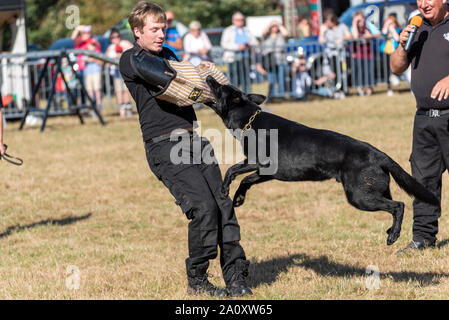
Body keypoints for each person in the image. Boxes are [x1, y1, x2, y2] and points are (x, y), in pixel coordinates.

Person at [119, 1, 252, 297]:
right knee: (204, 209)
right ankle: (198, 280)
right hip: (164, 146)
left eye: (163, 28)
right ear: (137, 31)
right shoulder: (131, 59)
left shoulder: (169, 55)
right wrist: (191, 76)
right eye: (154, 29)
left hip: (195, 140)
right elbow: (171, 82)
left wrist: (214, 84)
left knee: (223, 207)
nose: (161, 34)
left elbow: (195, 89)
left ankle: (236, 277)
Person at [390, 0, 449, 253]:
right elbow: (396, 67)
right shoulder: (416, 26)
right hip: (423, 118)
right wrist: (403, 45)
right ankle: (423, 238)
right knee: (423, 179)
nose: (423, 3)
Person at [221, 11, 258, 93]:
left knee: (246, 79)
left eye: (242, 20)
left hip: (246, 58)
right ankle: (234, 97)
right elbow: (224, 44)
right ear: (233, 21)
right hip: (232, 58)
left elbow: (255, 42)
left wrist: (249, 44)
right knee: (234, 80)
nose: (240, 21)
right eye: (238, 20)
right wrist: (238, 47)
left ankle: (247, 96)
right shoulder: (228, 30)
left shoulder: (247, 30)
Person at [318, 10, 352, 99]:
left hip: (341, 55)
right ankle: (336, 90)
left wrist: (342, 38)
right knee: (333, 73)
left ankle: (342, 90)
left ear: (333, 21)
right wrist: (322, 32)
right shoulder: (325, 29)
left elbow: (349, 36)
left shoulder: (342, 26)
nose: (327, 23)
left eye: (328, 21)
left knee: (342, 72)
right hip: (330, 55)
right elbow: (321, 41)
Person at [350, 10, 381, 96]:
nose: (361, 22)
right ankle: (360, 88)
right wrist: (354, 23)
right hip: (357, 54)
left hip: (368, 53)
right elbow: (355, 36)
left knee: (369, 71)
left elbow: (378, 33)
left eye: (362, 19)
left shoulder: (368, 26)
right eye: (359, 20)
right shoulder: (353, 27)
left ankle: (370, 88)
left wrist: (370, 36)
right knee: (359, 72)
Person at [106, 29, 133, 117]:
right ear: (111, 38)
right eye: (113, 37)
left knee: (126, 90)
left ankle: (128, 109)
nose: (116, 39)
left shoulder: (125, 43)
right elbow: (105, 61)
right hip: (116, 73)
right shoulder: (110, 48)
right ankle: (122, 110)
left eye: (117, 36)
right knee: (118, 91)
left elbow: (133, 51)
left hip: (126, 72)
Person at [260, 20, 288, 101]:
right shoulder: (267, 36)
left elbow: (286, 33)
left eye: (275, 26)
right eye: (273, 26)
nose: (274, 27)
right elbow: (263, 33)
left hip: (280, 60)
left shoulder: (281, 35)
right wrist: (270, 25)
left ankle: (281, 96)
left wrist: (278, 24)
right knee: (271, 79)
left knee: (281, 79)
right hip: (270, 61)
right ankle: (271, 96)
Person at [71, 25, 99, 104]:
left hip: (86, 68)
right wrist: (77, 28)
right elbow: (73, 38)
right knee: (77, 89)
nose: (86, 35)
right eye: (84, 33)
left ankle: (88, 105)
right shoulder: (79, 41)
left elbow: (94, 48)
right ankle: (79, 106)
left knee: (86, 89)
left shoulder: (92, 41)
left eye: (88, 33)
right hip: (79, 68)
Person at [380, 14, 401, 96]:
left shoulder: (398, 29)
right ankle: (389, 88)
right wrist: (386, 26)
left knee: (395, 68)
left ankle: (395, 77)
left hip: (395, 52)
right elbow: (383, 34)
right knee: (387, 71)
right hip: (386, 53)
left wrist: (392, 30)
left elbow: (397, 38)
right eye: (388, 23)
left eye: (392, 23)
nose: (390, 25)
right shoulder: (385, 30)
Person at [83, 38, 103, 112]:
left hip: (96, 73)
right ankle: (91, 106)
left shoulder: (98, 53)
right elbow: (82, 64)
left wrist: (93, 60)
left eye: (94, 45)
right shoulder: (85, 54)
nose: (93, 47)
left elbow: (101, 62)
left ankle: (98, 105)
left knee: (97, 89)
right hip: (88, 74)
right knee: (89, 90)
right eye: (91, 45)